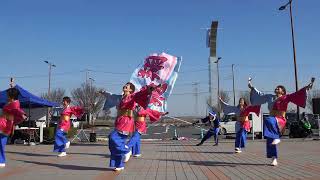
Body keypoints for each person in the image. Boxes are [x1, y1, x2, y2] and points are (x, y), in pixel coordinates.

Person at [249, 77, 314, 166]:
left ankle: (277, 138)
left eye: (279, 88)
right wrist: (252, 88)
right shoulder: (270, 97)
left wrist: (307, 87)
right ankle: (274, 158)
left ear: (283, 91)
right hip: (272, 120)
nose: (276, 88)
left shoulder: (286, 97)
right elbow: (260, 95)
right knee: (270, 139)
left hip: (280, 120)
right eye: (276, 87)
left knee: (268, 120)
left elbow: (297, 94)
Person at [108, 82, 159, 171]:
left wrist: (148, 90)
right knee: (117, 142)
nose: (124, 86)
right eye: (124, 85)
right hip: (119, 120)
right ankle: (119, 165)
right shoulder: (121, 98)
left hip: (126, 121)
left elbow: (140, 94)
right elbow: (111, 96)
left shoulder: (132, 96)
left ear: (131, 90)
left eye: (127, 86)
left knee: (113, 137)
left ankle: (126, 151)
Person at [0, 87, 27, 167]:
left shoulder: (14, 104)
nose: (7, 96)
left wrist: (22, 114)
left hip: (5, 125)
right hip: (3, 122)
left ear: (11, 96)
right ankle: (1, 160)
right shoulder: (10, 102)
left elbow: (17, 110)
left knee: (1, 143)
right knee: (1, 143)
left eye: (8, 95)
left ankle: (2, 161)